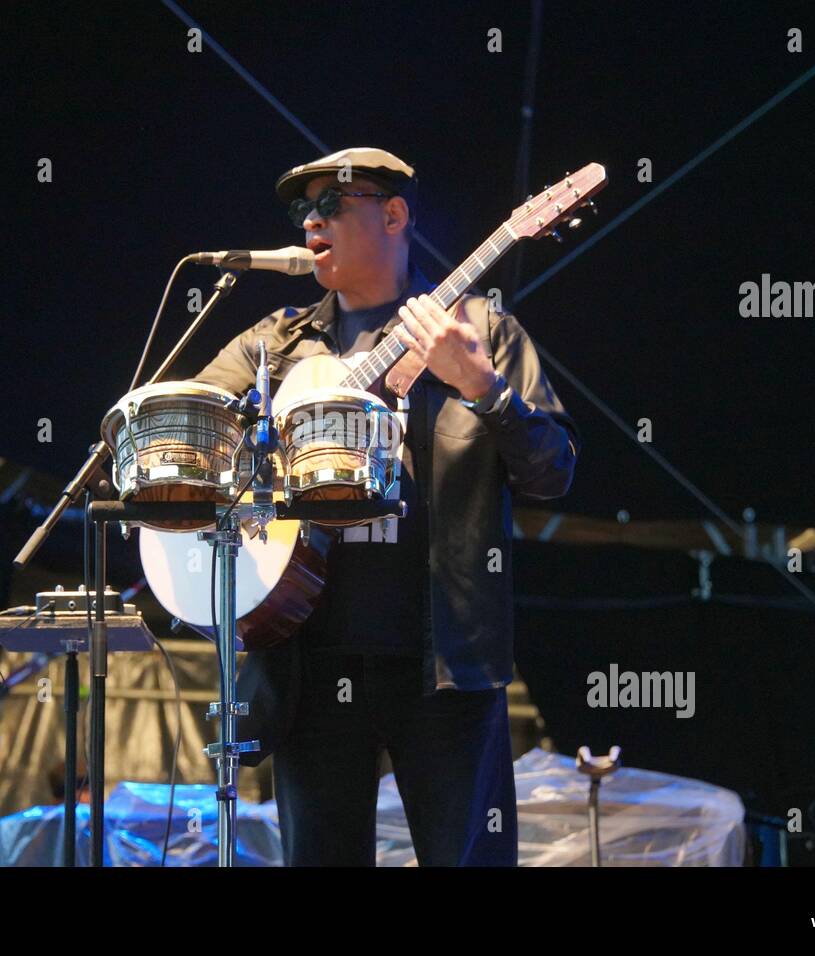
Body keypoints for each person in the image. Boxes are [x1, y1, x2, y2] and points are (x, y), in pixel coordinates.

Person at [190, 146, 579, 866]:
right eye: (301, 209)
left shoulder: (484, 333)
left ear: (394, 214)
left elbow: (553, 474)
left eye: (331, 204)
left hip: (444, 669)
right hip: (307, 664)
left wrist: (482, 387)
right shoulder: (272, 346)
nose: (311, 219)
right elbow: (194, 443)